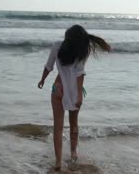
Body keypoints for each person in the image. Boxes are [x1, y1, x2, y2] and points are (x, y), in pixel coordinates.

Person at [37, 25, 111, 171]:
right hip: (73, 90)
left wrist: (42, 80)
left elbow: (49, 66)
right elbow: (79, 74)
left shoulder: (57, 46)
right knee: (74, 125)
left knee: (57, 127)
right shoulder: (81, 52)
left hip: (57, 88)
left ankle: (58, 162)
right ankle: (73, 155)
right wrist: (78, 94)